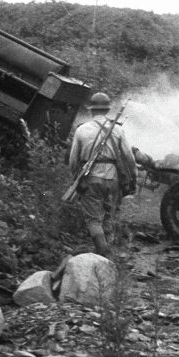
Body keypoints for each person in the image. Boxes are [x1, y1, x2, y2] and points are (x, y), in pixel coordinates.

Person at [68, 92, 138, 256]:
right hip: (113, 180)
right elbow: (130, 159)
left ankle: (103, 253)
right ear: (107, 110)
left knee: (93, 220)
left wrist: (77, 180)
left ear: (91, 110)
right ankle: (107, 253)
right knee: (109, 216)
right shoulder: (118, 130)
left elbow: (73, 161)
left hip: (90, 180)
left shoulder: (81, 130)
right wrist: (133, 178)